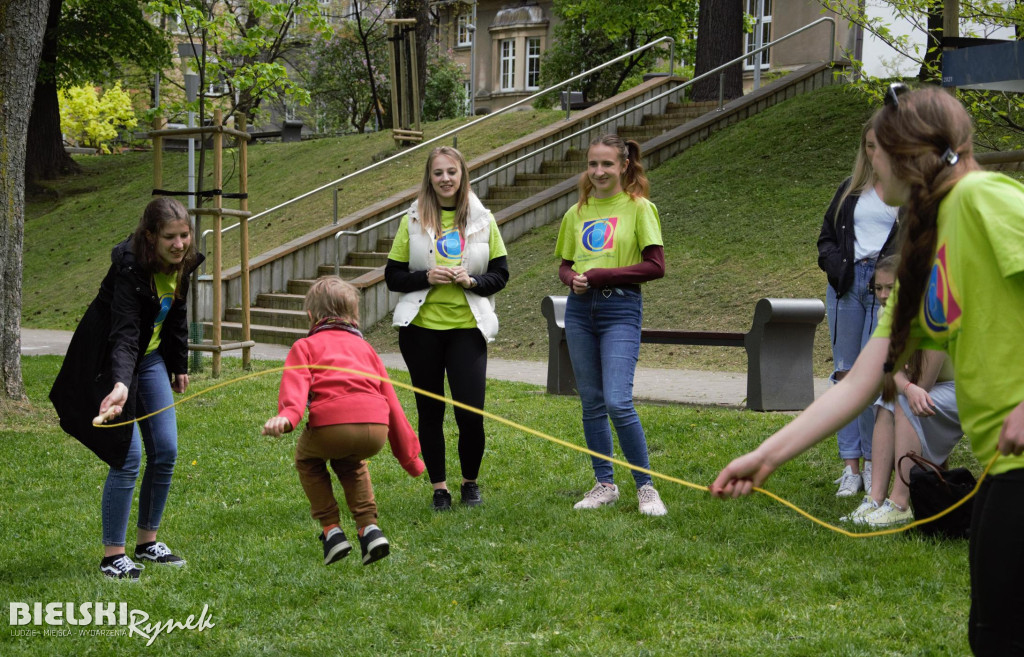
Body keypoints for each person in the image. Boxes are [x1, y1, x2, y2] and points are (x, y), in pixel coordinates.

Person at [711, 85, 1024, 656]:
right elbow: (859, 381)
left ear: (909, 154)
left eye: (876, 148)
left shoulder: (985, 199)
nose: (868, 159)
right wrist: (767, 456)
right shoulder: (926, 246)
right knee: (993, 637)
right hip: (1007, 470)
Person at [49, 197, 204, 580]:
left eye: (185, 235)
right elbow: (124, 334)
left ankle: (147, 542)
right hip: (109, 359)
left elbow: (177, 312)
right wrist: (120, 383)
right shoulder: (129, 269)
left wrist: (178, 364)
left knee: (165, 449)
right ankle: (112, 555)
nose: (180, 244)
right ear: (149, 237)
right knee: (127, 456)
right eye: (170, 237)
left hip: (150, 359)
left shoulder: (182, 264)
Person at [262, 276, 424, 566]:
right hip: (375, 429)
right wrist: (411, 458)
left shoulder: (305, 346)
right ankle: (369, 528)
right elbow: (393, 404)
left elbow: (295, 390)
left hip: (332, 427)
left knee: (308, 461)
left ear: (311, 315)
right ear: (353, 316)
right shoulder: (367, 350)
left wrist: (287, 418)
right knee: (351, 462)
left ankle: (332, 531)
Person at [384, 146, 509, 511]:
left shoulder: (484, 220)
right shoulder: (412, 219)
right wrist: (426, 276)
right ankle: (440, 487)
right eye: (438, 173)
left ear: (462, 175)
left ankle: (470, 482)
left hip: (468, 329)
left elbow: (500, 275)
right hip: (420, 330)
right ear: (430, 178)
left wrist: (471, 282)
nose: (445, 179)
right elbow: (392, 276)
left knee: (470, 412)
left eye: (451, 172)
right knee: (430, 411)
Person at [554, 134, 668, 516]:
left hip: (620, 309)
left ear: (623, 166)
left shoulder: (639, 208)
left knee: (619, 401)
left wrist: (603, 275)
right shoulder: (577, 213)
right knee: (592, 402)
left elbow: (656, 266)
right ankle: (605, 484)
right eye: (592, 164)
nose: (599, 171)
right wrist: (574, 279)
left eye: (607, 164)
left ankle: (646, 487)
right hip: (580, 311)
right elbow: (565, 265)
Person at [839, 256, 963, 527]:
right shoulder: (887, 313)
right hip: (924, 387)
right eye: (878, 288)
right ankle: (875, 498)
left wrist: (905, 382)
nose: (882, 296)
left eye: (890, 288)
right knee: (887, 399)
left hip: (962, 391)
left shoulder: (934, 315)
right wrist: (904, 382)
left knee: (904, 402)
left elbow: (924, 384)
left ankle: (900, 503)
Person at [817, 119, 902, 497]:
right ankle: (850, 465)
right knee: (845, 375)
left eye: (882, 145)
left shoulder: (908, 193)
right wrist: (838, 269)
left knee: (875, 378)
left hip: (887, 290)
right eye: (869, 145)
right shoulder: (849, 190)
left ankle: (873, 463)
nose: (875, 153)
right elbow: (826, 240)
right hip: (847, 288)